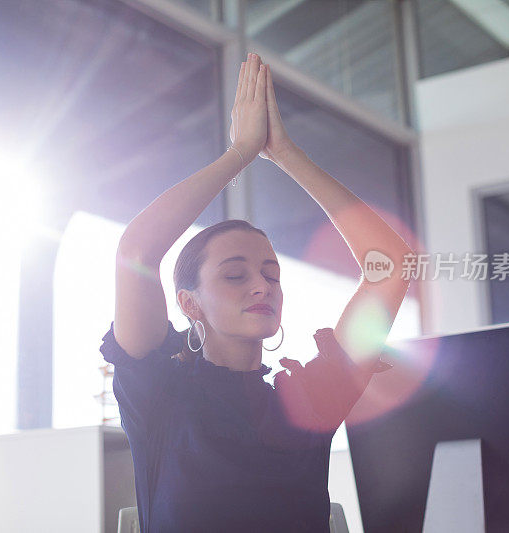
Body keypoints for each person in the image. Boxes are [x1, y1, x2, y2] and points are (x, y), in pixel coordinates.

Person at [100, 52, 414, 532]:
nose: (261, 285)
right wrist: (240, 154)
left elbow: (389, 266)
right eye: (234, 275)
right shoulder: (157, 391)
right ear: (189, 302)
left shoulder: (309, 399)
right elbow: (137, 251)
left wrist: (284, 153)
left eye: (271, 273)